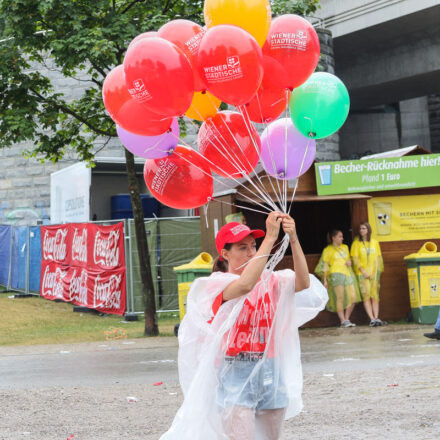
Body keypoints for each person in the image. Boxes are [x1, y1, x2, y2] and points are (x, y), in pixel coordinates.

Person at [160, 212, 328, 440]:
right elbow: (245, 285)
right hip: (234, 370)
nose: (251, 252)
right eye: (243, 248)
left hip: (270, 366)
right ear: (225, 253)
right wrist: (269, 239)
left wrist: (294, 238)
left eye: (253, 245)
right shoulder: (216, 284)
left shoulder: (271, 280)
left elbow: (303, 282)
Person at [315, 230, 361, 327]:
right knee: (340, 298)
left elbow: (348, 259)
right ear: (334, 238)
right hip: (336, 275)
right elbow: (325, 266)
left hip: (348, 274)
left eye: (342, 236)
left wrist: (349, 262)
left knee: (353, 297)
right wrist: (325, 280)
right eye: (340, 236)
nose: (342, 238)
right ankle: (343, 320)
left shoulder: (345, 247)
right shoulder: (327, 250)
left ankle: (347, 318)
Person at [350, 222, 385, 327]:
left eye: (364, 228)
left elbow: (378, 258)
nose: (361, 230)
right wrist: (363, 271)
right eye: (360, 229)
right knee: (366, 296)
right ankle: (372, 319)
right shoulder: (357, 243)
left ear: (368, 230)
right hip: (362, 274)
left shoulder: (375, 242)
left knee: (375, 296)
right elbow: (355, 259)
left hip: (374, 274)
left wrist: (375, 271)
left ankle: (377, 317)